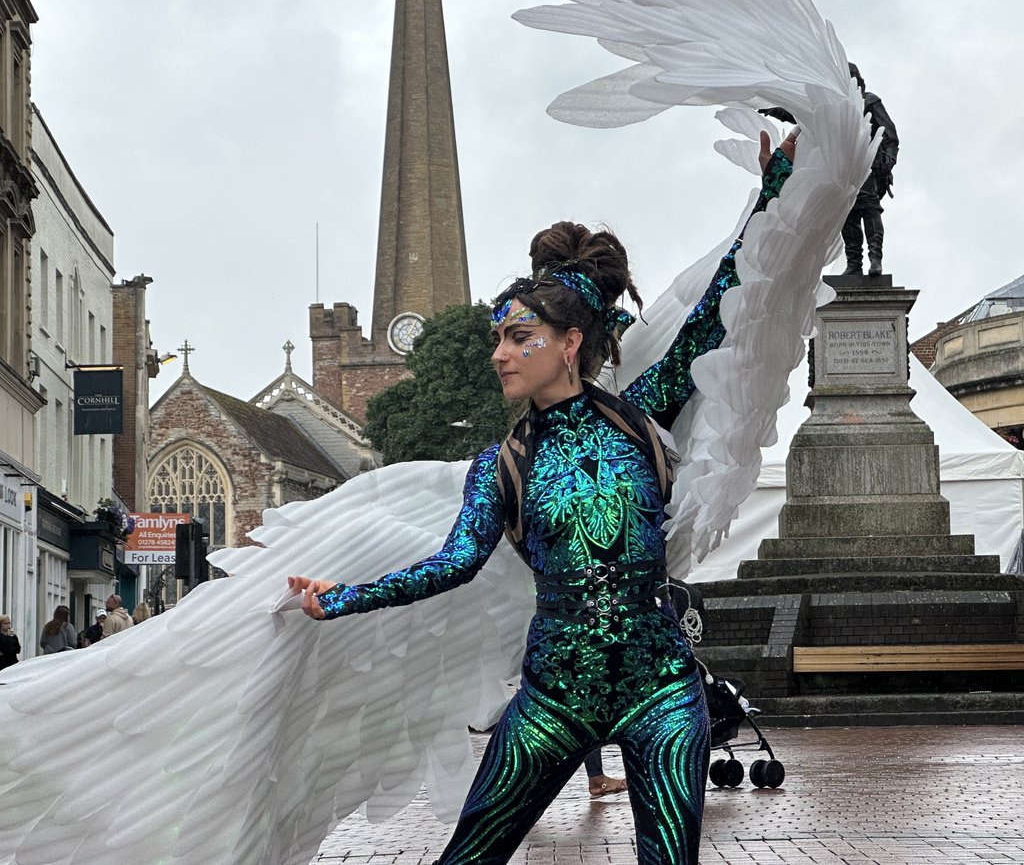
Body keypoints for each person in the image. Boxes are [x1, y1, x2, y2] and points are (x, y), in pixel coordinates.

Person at [288, 131, 796, 865]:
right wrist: (338, 598)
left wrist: (772, 195)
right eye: (497, 337)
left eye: (517, 336)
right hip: (555, 697)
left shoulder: (639, 415)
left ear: (568, 342)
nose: (498, 352)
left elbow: (723, 304)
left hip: (662, 692)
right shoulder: (502, 463)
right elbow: (451, 565)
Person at [841, 62, 898, 276]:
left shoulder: (869, 101)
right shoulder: (837, 104)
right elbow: (802, 114)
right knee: (847, 213)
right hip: (842, 166)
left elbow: (890, 135)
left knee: (869, 208)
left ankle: (876, 259)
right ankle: (854, 263)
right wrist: (774, 107)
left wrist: (888, 162)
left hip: (867, 164)